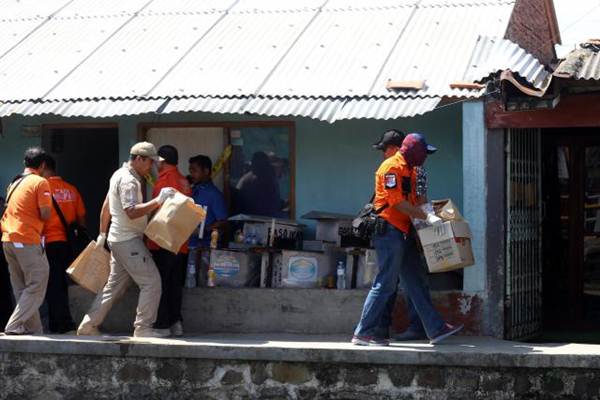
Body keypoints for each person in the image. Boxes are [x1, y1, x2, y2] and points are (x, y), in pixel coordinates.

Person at [352, 133, 463, 346]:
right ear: (414, 152)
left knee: (415, 281)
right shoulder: (391, 167)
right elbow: (397, 203)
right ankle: (363, 332)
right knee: (385, 283)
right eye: (424, 153)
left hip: (403, 231)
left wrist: (429, 222)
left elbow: (416, 201)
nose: (426, 158)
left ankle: (435, 328)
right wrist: (427, 217)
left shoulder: (412, 170)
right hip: (389, 231)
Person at [77, 142, 176, 338]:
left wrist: (103, 234)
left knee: (114, 287)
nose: (151, 167)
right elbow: (130, 211)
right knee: (152, 282)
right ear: (138, 159)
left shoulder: (117, 174)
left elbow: (106, 206)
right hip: (127, 240)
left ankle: (88, 326)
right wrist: (159, 200)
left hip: (117, 239)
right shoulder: (129, 180)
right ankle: (143, 328)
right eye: (149, 162)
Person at [1, 147, 52, 335]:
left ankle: (34, 329)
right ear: (43, 165)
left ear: (25, 163)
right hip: (27, 239)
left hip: (8, 239)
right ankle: (14, 325)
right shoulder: (40, 182)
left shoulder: (14, 182)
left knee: (21, 287)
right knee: (38, 282)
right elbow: (45, 213)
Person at [147, 145, 192, 337]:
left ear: (162, 161)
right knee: (175, 284)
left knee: (161, 284)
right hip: (180, 242)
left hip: (163, 241)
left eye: (156, 161)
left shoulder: (164, 182)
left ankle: (162, 325)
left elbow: (158, 212)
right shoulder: (183, 181)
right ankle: (176, 322)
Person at [40, 155, 86, 334]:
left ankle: (64, 324)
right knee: (60, 284)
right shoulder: (71, 189)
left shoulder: (42, 189)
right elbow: (81, 218)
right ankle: (56, 324)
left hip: (49, 242)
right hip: (67, 243)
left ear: (43, 168)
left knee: (53, 285)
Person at [188, 155, 228, 249]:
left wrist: (204, 229)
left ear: (205, 171)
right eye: (190, 171)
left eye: (194, 170)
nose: (191, 174)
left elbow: (223, 221)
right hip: (189, 245)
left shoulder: (214, 194)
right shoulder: (192, 189)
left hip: (205, 247)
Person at [236, 151, 283, 217]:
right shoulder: (272, 181)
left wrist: (243, 180)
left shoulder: (254, 184)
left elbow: (238, 198)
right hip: (265, 219)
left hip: (258, 219)